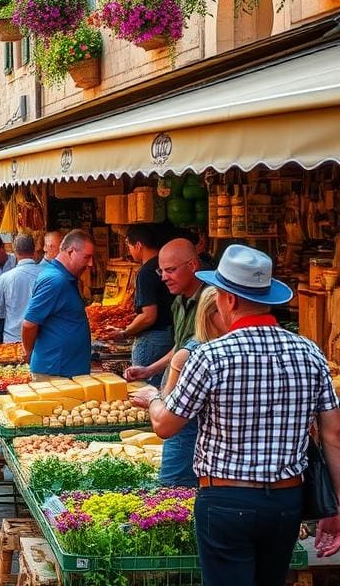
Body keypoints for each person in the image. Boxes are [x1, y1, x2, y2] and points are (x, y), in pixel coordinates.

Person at [131, 244, 340, 584]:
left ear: (228, 299)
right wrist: (335, 507)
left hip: (226, 499)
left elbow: (165, 425)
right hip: (286, 500)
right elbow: (333, 435)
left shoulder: (210, 356)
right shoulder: (310, 352)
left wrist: (154, 396)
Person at [152, 286, 225, 487]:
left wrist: (151, 399)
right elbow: (166, 418)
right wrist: (153, 399)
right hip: (185, 449)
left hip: (204, 458)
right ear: (211, 315)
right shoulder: (193, 354)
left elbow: (165, 414)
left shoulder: (199, 353)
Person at [124, 238, 205, 385]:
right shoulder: (178, 303)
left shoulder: (211, 303)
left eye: (170, 270)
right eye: (161, 271)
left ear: (192, 265)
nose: (163, 278)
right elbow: (180, 346)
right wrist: (149, 370)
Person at [21, 229, 94, 378]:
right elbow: (29, 324)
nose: (90, 263)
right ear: (70, 251)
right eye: (87, 257)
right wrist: (29, 352)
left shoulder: (65, 277)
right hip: (55, 373)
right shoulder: (56, 280)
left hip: (64, 370)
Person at [114, 224, 175, 388]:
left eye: (129, 246)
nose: (129, 251)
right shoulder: (164, 266)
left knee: (143, 387)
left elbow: (148, 316)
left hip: (152, 338)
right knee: (162, 385)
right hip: (169, 334)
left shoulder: (146, 272)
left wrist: (125, 332)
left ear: (138, 245)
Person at [0, 234, 39, 344]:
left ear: (15, 252)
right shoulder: (46, 275)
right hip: (41, 340)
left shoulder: (5, 278)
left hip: (13, 341)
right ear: (34, 251)